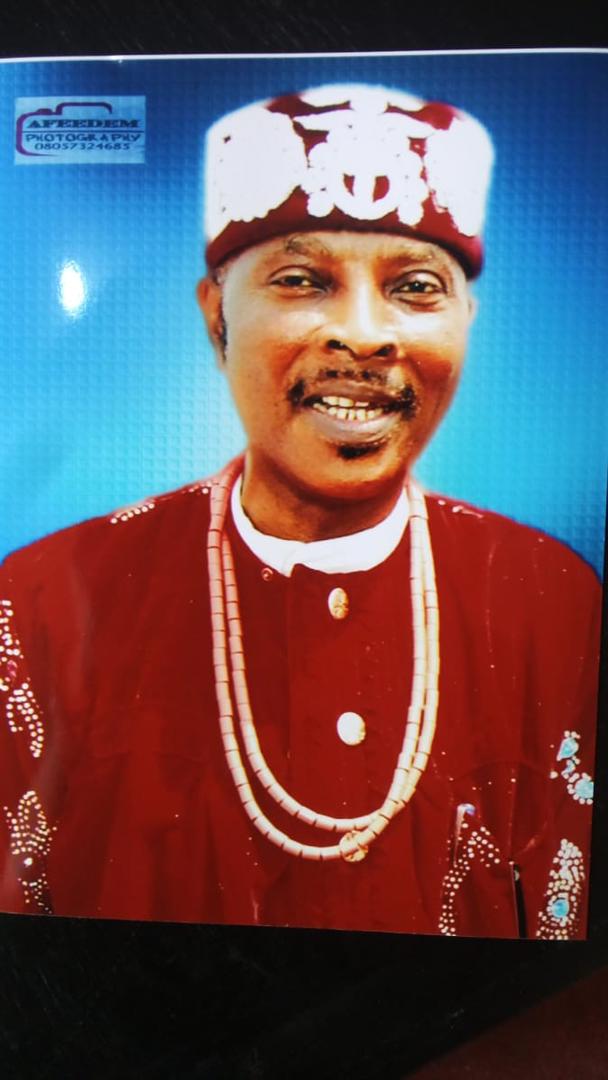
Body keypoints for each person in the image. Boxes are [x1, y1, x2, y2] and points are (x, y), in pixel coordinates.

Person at [0, 83, 599, 938]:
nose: (364, 334)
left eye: (415, 287)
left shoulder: (551, 598)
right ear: (218, 318)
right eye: (301, 280)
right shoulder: (42, 603)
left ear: (467, 320)